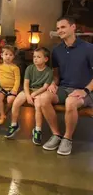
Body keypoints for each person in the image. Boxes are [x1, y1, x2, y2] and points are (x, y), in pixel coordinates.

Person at [36, 16, 93, 156]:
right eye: (57, 28)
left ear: (73, 27)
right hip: (64, 88)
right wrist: (54, 84)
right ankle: (56, 135)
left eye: (63, 27)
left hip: (86, 90)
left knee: (70, 102)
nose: (59, 31)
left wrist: (85, 90)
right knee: (43, 98)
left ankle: (68, 138)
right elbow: (56, 74)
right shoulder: (56, 50)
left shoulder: (89, 48)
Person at [4, 47, 53, 145]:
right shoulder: (30, 68)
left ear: (46, 59)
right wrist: (28, 95)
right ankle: (14, 125)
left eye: (38, 57)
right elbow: (26, 84)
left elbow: (45, 87)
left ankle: (37, 130)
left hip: (40, 92)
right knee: (16, 102)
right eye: (34, 56)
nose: (35, 59)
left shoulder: (49, 71)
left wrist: (34, 94)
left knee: (38, 106)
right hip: (28, 90)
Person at [0, 45, 20, 126]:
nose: (8, 57)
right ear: (1, 55)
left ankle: (6, 111)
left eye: (11, 55)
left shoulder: (15, 68)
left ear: (13, 56)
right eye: (6, 54)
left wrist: (15, 89)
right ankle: (2, 115)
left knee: (10, 100)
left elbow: (17, 80)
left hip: (12, 89)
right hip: (2, 88)